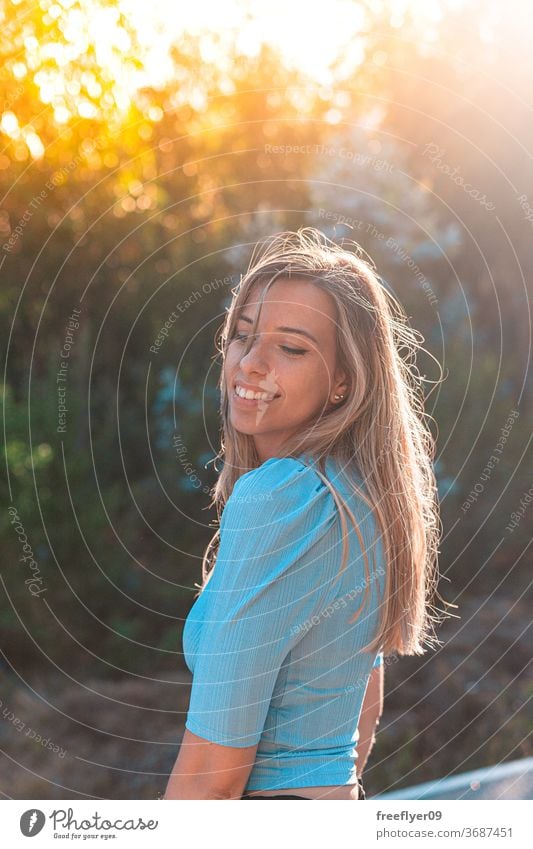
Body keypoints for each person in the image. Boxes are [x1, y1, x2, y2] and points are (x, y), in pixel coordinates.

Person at [163, 227, 447, 800]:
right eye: (243, 336)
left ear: (344, 380)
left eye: (291, 348)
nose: (251, 363)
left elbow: (210, 773)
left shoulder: (281, 500)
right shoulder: (359, 494)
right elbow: (363, 706)